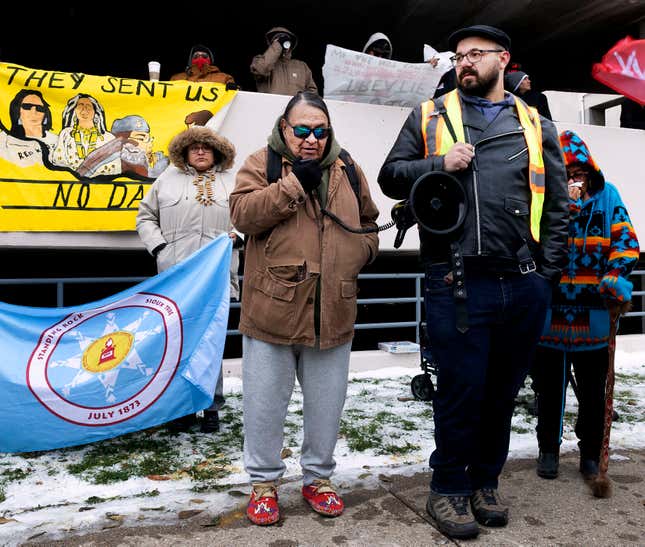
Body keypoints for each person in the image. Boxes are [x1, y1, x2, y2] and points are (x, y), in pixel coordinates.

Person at [377, 24, 569, 539]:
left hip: (522, 283)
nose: (464, 63)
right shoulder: (428, 115)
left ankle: (485, 482)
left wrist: (547, 275)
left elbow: (557, 205)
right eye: (458, 56)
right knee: (461, 392)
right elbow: (390, 175)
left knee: (503, 392)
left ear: (502, 59)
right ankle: (448, 489)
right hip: (456, 281)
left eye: (475, 55)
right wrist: (439, 163)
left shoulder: (535, 122)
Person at [230, 91, 379, 526]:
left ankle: (318, 479)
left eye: (321, 131)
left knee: (326, 407)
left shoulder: (349, 168)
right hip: (271, 312)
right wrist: (295, 184)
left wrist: (361, 254)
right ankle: (263, 484)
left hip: (333, 310)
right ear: (284, 128)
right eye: (302, 130)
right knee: (263, 407)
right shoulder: (263, 163)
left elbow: (368, 222)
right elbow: (243, 215)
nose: (312, 139)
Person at [533, 130, 639, 481]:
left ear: (590, 171)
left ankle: (590, 452)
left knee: (593, 389)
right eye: (566, 173)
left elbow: (626, 243)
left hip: (594, 311)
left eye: (579, 172)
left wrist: (615, 277)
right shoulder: (543, 199)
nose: (573, 179)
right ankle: (548, 448)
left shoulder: (608, 197)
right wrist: (565, 207)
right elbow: (530, 246)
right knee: (548, 387)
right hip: (551, 310)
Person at [135, 126, 242, 433]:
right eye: (193, 147)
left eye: (205, 148)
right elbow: (145, 217)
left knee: (210, 342)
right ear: (184, 152)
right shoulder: (166, 180)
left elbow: (248, 217)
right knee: (176, 342)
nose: (199, 151)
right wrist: (160, 248)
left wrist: (240, 237)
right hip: (176, 277)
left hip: (216, 275)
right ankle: (179, 408)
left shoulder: (233, 182)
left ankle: (210, 406)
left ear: (217, 153)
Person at [51, 93, 119, 175]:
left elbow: (115, 165)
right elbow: (58, 160)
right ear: (74, 110)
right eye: (80, 106)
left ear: (95, 111)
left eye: (88, 106)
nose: (84, 110)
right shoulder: (66, 134)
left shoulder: (108, 138)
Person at [250, 26, 318, 95]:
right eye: (278, 39)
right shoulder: (260, 60)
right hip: (270, 104)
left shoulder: (302, 66)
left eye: (286, 39)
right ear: (272, 44)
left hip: (295, 106)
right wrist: (278, 45)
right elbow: (261, 69)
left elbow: (312, 92)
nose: (282, 41)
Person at [0, 89, 57, 168]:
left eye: (39, 108)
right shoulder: (4, 140)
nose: (34, 112)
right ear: (18, 111)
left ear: (45, 113)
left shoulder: (57, 140)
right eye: (27, 107)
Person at [170, 44, 236, 85]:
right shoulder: (176, 78)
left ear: (210, 61)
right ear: (191, 60)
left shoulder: (224, 78)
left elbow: (236, 94)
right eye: (196, 56)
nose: (200, 58)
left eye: (204, 56)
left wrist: (233, 87)